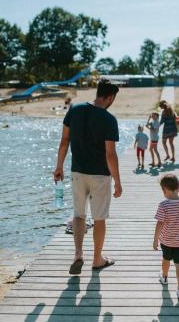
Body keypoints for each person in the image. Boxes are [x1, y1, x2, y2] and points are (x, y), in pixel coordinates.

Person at [53, 79, 122, 274]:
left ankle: (78, 254)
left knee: (78, 215)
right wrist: (117, 180)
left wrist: (59, 167)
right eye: (113, 98)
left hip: (77, 172)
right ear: (109, 96)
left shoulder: (74, 111)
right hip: (100, 175)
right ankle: (97, 259)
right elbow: (110, 154)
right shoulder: (109, 119)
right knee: (99, 218)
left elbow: (64, 141)